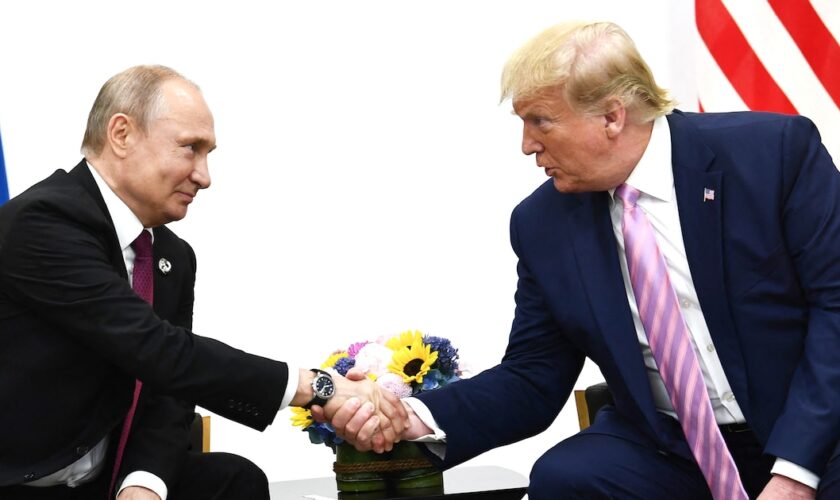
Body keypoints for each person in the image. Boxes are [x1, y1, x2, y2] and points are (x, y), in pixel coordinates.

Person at [324, 21, 840, 499]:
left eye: (540, 121)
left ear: (612, 116)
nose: (527, 145)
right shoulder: (542, 223)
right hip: (670, 448)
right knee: (568, 478)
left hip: (811, 430)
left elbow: (835, 311)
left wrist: (795, 470)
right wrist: (410, 415)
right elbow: (532, 375)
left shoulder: (771, 155)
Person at [0, 65, 406, 500]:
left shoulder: (172, 255)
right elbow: (158, 350)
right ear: (121, 134)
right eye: (190, 149)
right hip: (20, 479)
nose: (204, 176)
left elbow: (168, 392)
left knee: (235, 480)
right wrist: (317, 386)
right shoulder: (42, 222)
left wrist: (144, 484)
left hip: (103, 479)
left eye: (208, 153)